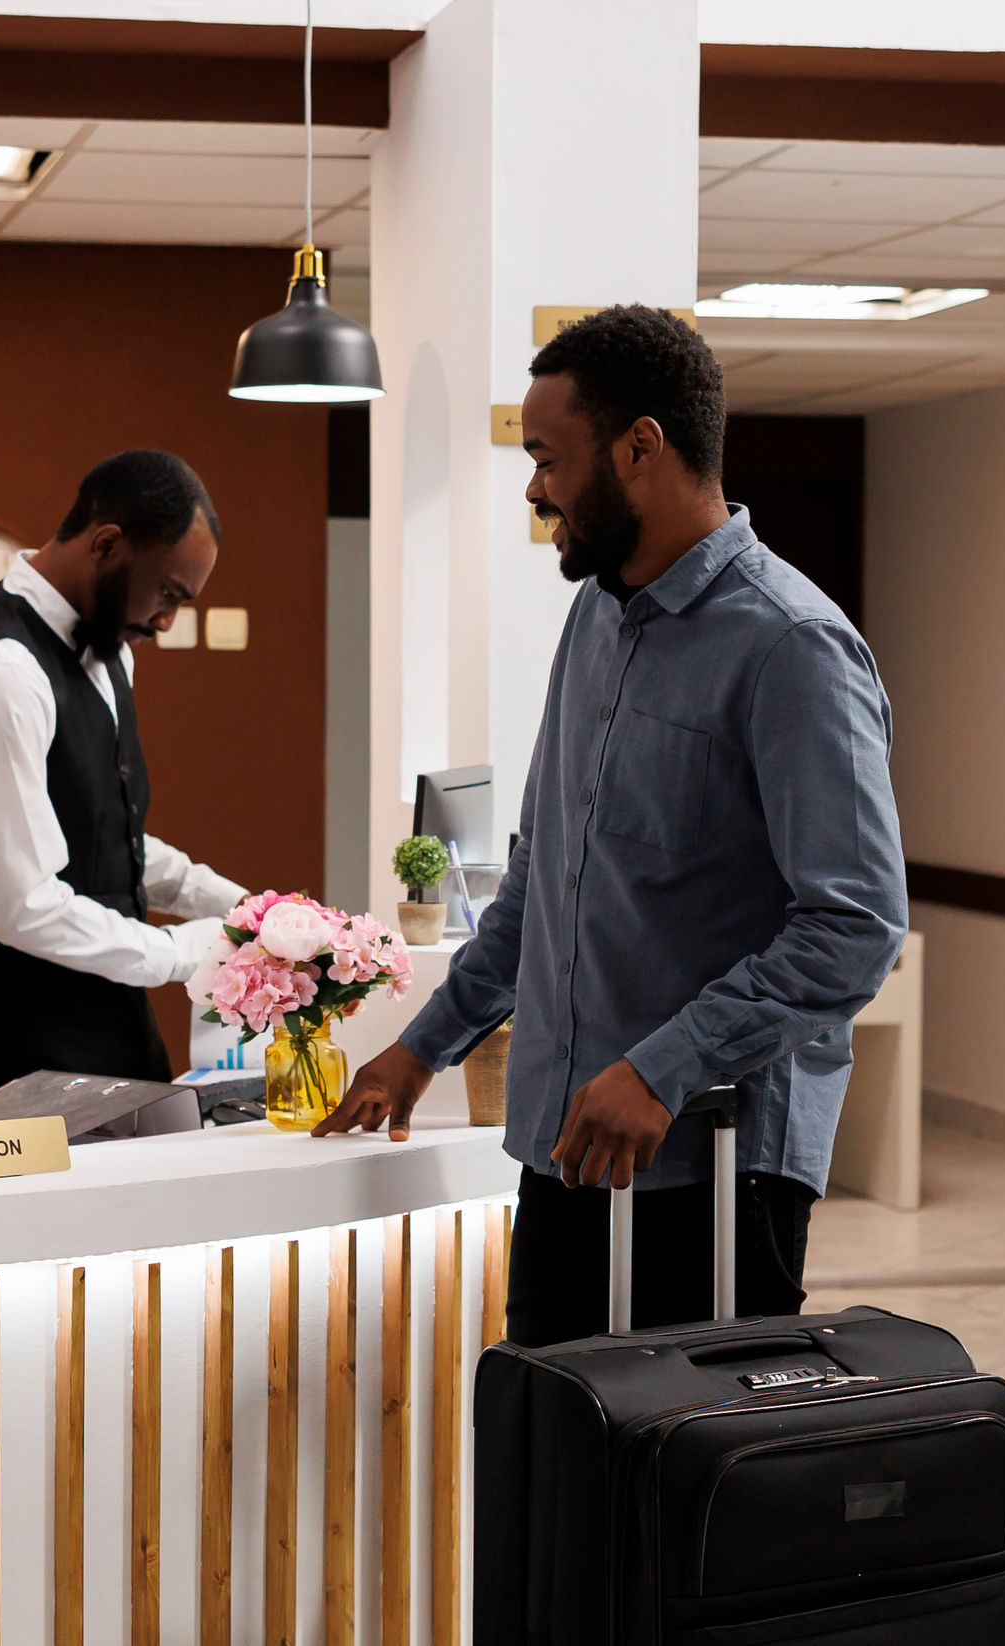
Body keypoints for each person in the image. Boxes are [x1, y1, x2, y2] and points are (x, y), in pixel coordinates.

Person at [316, 306, 906, 1348]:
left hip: (711, 1166)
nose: (535, 486)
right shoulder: (596, 616)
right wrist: (420, 1049)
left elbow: (855, 926)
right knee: (554, 1475)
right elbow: (546, 879)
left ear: (643, 445)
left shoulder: (793, 647)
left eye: (548, 457)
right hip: (566, 1150)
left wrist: (663, 1065)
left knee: (678, 1497)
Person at [0, 450, 249, 1103]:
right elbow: (26, 908)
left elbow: (102, 833)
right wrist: (189, 952)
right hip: (23, 1060)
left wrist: (238, 907)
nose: (165, 621)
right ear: (106, 545)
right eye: (167, 593)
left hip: (118, 1036)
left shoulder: (109, 653)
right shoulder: (0, 676)